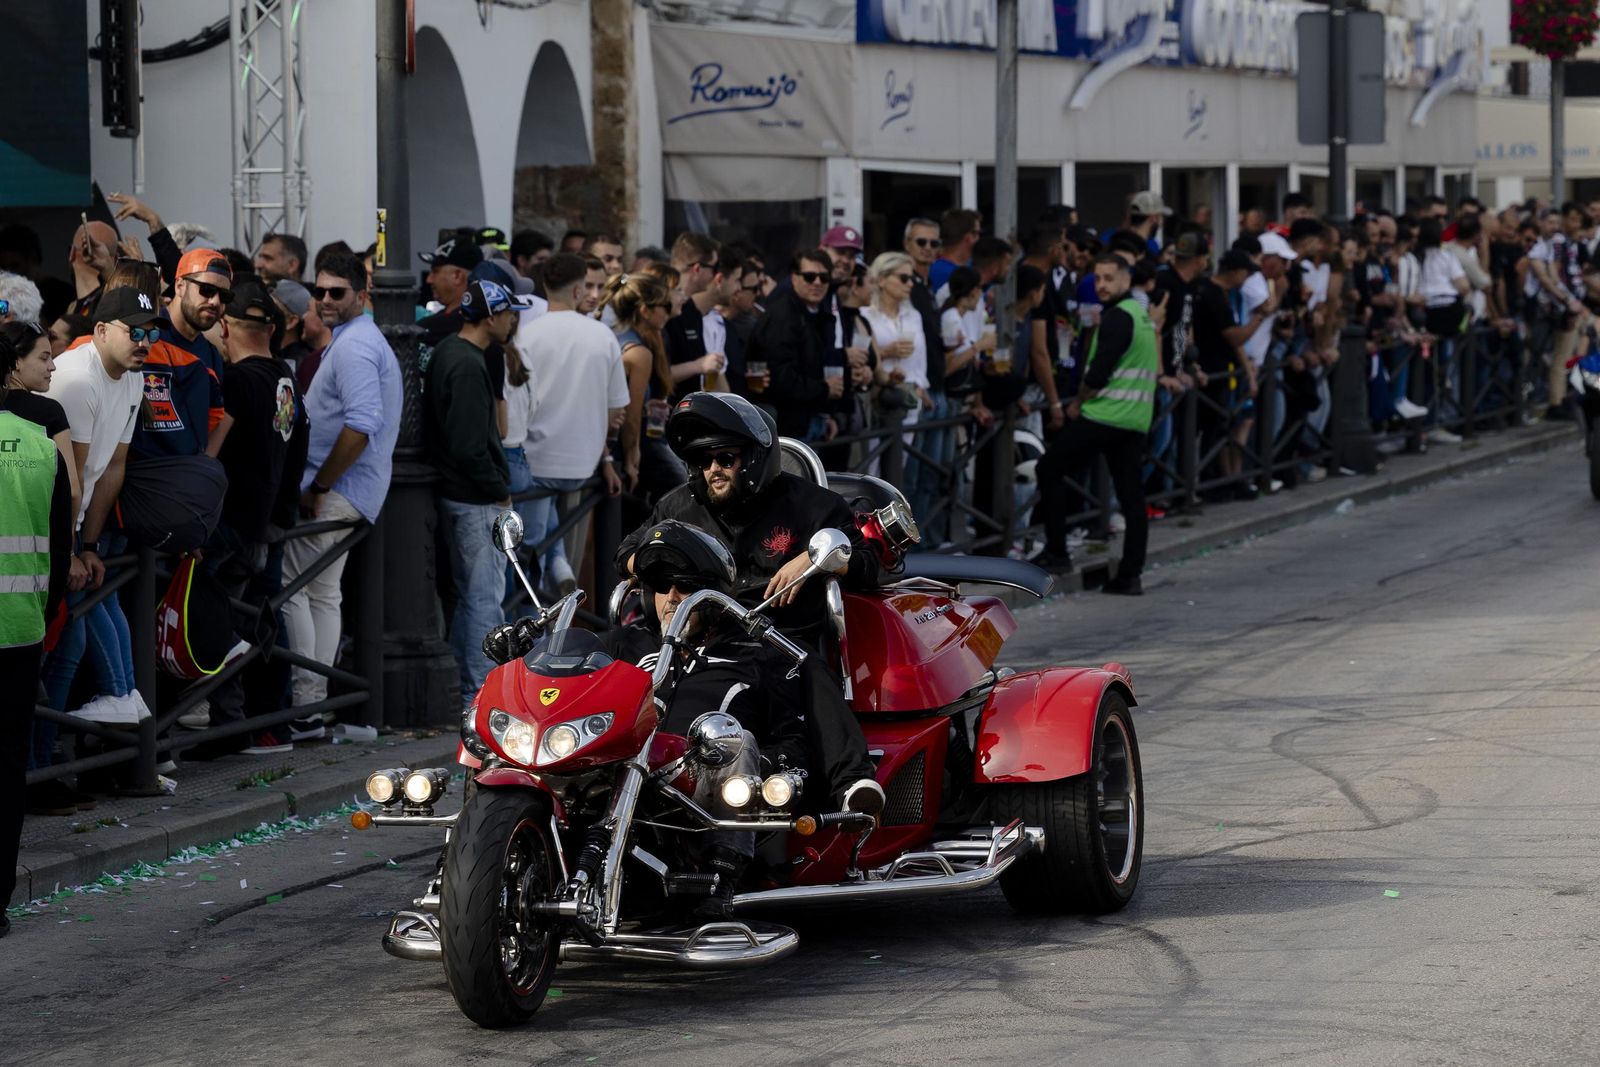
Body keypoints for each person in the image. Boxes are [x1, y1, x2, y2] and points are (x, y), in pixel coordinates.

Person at [615, 392, 884, 814]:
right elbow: (628, 550)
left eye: (725, 459)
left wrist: (813, 557)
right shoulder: (679, 505)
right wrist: (655, 562)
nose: (713, 471)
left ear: (755, 459)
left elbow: (868, 562)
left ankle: (852, 783)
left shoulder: (811, 506)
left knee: (811, 669)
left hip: (777, 636)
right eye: (703, 462)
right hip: (693, 631)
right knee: (606, 651)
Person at [598, 519, 810, 917]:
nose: (673, 597)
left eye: (686, 586)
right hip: (613, 774)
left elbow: (793, 738)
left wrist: (759, 772)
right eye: (662, 586)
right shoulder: (622, 644)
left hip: (697, 794)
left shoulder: (756, 653)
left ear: (713, 597)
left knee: (736, 740)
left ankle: (720, 875)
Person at [281, 249, 402, 746]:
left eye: (337, 292)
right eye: (319, 291)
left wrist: (320, 485)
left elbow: (361, 424)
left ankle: (304, 706)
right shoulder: (356, 340)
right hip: (352, 490)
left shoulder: (354, 347)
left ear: (361, 295)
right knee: (322, 594)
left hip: (337, 490)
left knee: (295, 587)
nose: (326, 300)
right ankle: (312, 707)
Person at [192, 280, 309, 752]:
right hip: (269, 522)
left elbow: (211, 455)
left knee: (220, 620)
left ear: (225, 325)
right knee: (263, 621)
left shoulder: (238, 381)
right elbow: (298, 444)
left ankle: (233, 724)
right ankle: (267, 722)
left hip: (234, 524)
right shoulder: (285, 375)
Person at [427, 278, 529, 705]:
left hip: (460, 492)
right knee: (483, 599)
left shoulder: (453, 351)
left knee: (473, 597)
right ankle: (482, 695)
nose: (512, 320)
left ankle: (472, 688)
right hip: (473, 498)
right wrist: (498, 489)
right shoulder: (467, 363)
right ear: (490, 316)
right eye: (508, 313)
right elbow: (468, 446)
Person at [1034, 255, 1158, 594]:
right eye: (1098, 278)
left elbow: (1098, 374)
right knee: (1132, 497)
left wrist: (1076, 403)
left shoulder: (1118, 317)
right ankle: (1130, 575)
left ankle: (1057, 552)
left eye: (1109, 278)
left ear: (1126, 281)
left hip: (1105, 415)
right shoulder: (1142, 317)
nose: (1101, 285)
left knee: (1049, 468)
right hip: (1134, 418)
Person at [0, 362, 73, 931]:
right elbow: (60, 537)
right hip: (19, 630)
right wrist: (44, 614)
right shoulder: (38, 442)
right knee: (6, 770)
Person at [515, 253, 628, 597]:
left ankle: (550, 579)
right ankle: (562, 574)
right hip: (582, 465)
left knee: (529, 557)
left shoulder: (525, 335)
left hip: (533, 462)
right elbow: (616, 410)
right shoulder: (602, 336)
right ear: (579, 289)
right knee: (569, 553)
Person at [137, 248, 234, 462]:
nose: (215, 301)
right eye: (207, 290)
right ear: (180, 285)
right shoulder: (141, 334)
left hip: (186, 479)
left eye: (223, 295)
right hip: (138, 475)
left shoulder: (212, 356)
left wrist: (200, 470)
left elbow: (214, 422)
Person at [602, 271, 682, 500]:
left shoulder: (611, 336)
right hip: (617, 449)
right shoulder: (639, 353)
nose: (668, 311)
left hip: (602, 447)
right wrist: (631, 456)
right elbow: (631, 416)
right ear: (645, 311)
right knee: (682, 496)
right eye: (665, 305)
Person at [747, 250, 842, 441]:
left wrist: (824, 415)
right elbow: (780, 378)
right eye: (809, 276)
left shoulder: (818, 313)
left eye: (823, 277)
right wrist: (823, 389)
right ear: (794, 278)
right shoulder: (782, 316)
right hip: (786, 428)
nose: (817, 282)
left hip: (810, 421)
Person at [4, 321, 82, 523]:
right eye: (44, 358)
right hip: (39, 541)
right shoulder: (50, 413)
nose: (53, 366)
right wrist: (69, 544)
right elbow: (72, 492)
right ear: (17, 361)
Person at [665, 233, 727, 397]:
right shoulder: (661, 305)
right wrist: (698, 366)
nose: (716, 276)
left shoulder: (691, 308)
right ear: (697, 269)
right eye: (714, 268)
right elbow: (656, 374)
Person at [929, 208, 982, 293]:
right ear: (968, 237)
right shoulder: (945, 273)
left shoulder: (968, 266)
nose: (979, 238)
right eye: (977, 233)